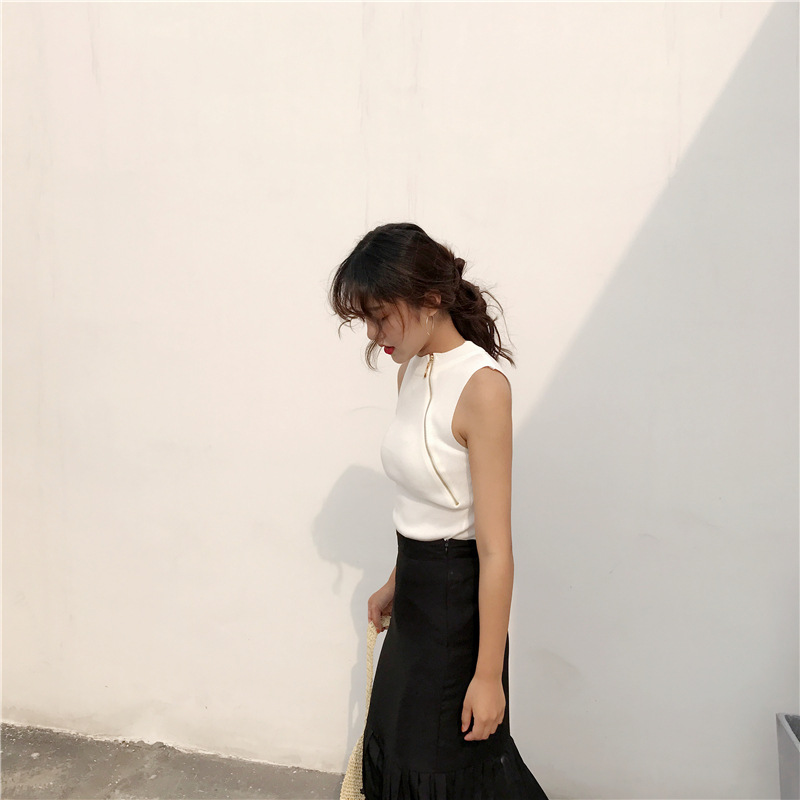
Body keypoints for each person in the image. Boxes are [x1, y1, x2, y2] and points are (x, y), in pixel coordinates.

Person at [329, 222, 549, 799]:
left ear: (429, 300)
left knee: (445, 768)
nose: (373, 334)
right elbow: (427, 499)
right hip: (416, 601)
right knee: (399, 751)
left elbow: (494, 549)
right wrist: (397, 580)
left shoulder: (482, 387)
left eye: (380, 316)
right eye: (366, 320)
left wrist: (487, 676)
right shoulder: (410, 367)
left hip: (458, 613)